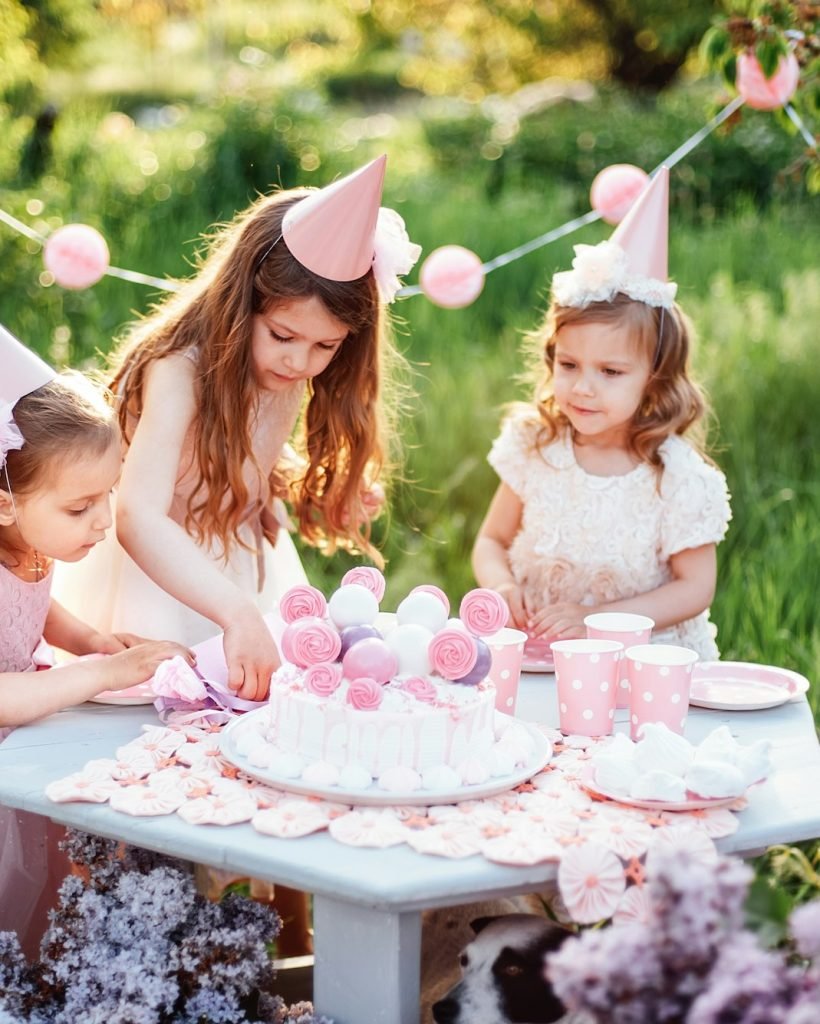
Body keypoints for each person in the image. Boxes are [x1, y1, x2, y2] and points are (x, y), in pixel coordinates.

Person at [54, 154, 420, 704]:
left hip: (236, 560)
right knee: (159, 715)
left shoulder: (284, 368)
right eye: (283, 335)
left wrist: (280, 487)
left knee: (249, 712)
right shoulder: (177, 370)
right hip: (161, 575)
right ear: (242, 302)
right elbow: (138, 514)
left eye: (326, 346)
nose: (300, 361)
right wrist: (236, 612)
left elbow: (240, 449)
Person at [472, 168, 731, 660]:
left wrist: (598, 624)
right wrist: (502, 587)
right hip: (541, 653)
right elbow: (491, 538)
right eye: (569, 365)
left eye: (611, 372)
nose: (583, 388)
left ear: (654, 377)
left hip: (638, 661)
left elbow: (694, 588)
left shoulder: (674, 476)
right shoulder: (536, 445)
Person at [0, 324, 191, 959]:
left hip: (24, 737)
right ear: (5, 504)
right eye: (80, 507)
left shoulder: (27, 544)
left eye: (107, 495)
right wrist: (103, 676)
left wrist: (89, 640)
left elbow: (33, 603)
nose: (103, 521)